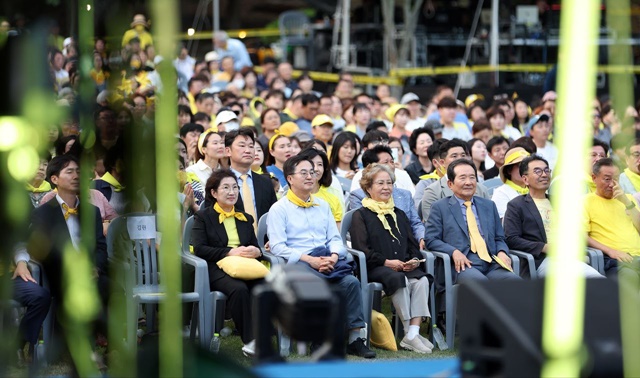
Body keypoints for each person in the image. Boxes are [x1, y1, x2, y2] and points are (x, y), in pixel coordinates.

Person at [267, 154, 376, 358]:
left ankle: (354, 339)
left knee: (350, 282)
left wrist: (334, 257)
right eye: (303, 173)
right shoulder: (279, 209)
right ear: (289, 178)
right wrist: (310, 260)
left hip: (326, 260)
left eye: (312, 172)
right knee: (318, 284)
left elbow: (335, 238)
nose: (310, 176)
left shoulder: (322, 205)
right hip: (299, 264)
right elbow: (278, 246)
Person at [26, 155, 109, 357]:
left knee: (110, 286)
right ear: (54, 179)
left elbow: (100, 247)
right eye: (69, 172)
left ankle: (110, 345)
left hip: (91, 273)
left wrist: (95, 267)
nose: (76, 176)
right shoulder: (43, 214)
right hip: (59, 274)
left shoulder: (92, 212)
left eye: (79, 172)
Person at [350, 164, 433, 353]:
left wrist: (413, 260)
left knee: (421, 279)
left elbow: (412, 244)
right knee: (399, 279)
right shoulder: (360, 215)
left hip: (402, 266)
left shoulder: (399, 213)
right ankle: (408, 331)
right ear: (368, 188)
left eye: (389, 183)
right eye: (380, 183)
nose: (386, 187)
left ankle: (413, 332)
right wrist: (387, 262)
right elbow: (362, 249)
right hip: (376, 267)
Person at [191, 169, 263, 356]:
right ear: (214, 193)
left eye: (234, 187)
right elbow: (199, 248)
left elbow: (255, 247)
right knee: (239, 290)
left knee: (266, 286)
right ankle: (250, 341)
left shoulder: (245, 218)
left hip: (244, 266)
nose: (232, 192)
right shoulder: (203, 217)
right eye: (226, 188)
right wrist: (230, 252)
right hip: (215, 266)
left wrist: (257, 251)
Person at [504, 155, 603, 278]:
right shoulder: (516, 205)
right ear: (525, 179)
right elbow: (512, 239)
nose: (544, 175)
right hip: (541, 260)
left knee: (597, 280)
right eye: (538, 171)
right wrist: (545, 247)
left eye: (546, 170)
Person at [425, 159, 519, 283]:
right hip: (462, 265)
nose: (468, 182)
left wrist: (502, 251)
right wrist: (453, 251)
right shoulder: (440, 207)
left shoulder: (489, 205)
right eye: (462, 178)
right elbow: (431, 239)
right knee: (483, 287)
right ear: (450, 184)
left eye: (472, 177)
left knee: (517, 284)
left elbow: (499, 237)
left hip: (492, 263)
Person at [349, 145, 426, 249]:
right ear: (372, 168)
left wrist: (422, 238)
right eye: (386, 163)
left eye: (392, 161)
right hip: (378, 248)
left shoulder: (405, 195)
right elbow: (361, 231)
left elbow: (415, 223)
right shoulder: (358, 196)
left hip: (406, 247)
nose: (392, 166)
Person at [585, 158, 640, 280]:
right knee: (630, 277)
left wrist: (626, 202)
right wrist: (611, 251)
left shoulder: (628, 199)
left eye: (616, 178)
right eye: (607, 179)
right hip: (614, 259)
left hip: (637, 257)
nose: (612, 184)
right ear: (594, 178)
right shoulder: (585, 201)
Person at [421, 139, 491, 222]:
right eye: (454, 156)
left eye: (463, 155)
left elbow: (491, 222)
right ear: (442, 162)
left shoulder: (481, 189)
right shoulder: (432, 192)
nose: (460, 159)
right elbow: (433, 228)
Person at [223, 128, 278, 231]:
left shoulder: (266, 182)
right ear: (228, 151)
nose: (248, 150)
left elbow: (275, 216)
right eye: (242, 146)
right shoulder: (219, 183)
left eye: (251, 146)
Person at [298, 148, 344, 227]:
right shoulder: (291, 195)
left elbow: (338, 230)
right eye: (311, 163)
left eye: (320, 164)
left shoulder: (333, 196)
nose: (316, 169)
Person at [491, 147, 530, 219]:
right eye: (520, 166)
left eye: (527, 166)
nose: (525, 170)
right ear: (509, 170)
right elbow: (506, 223)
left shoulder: (535, 188)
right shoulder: (501, 193)